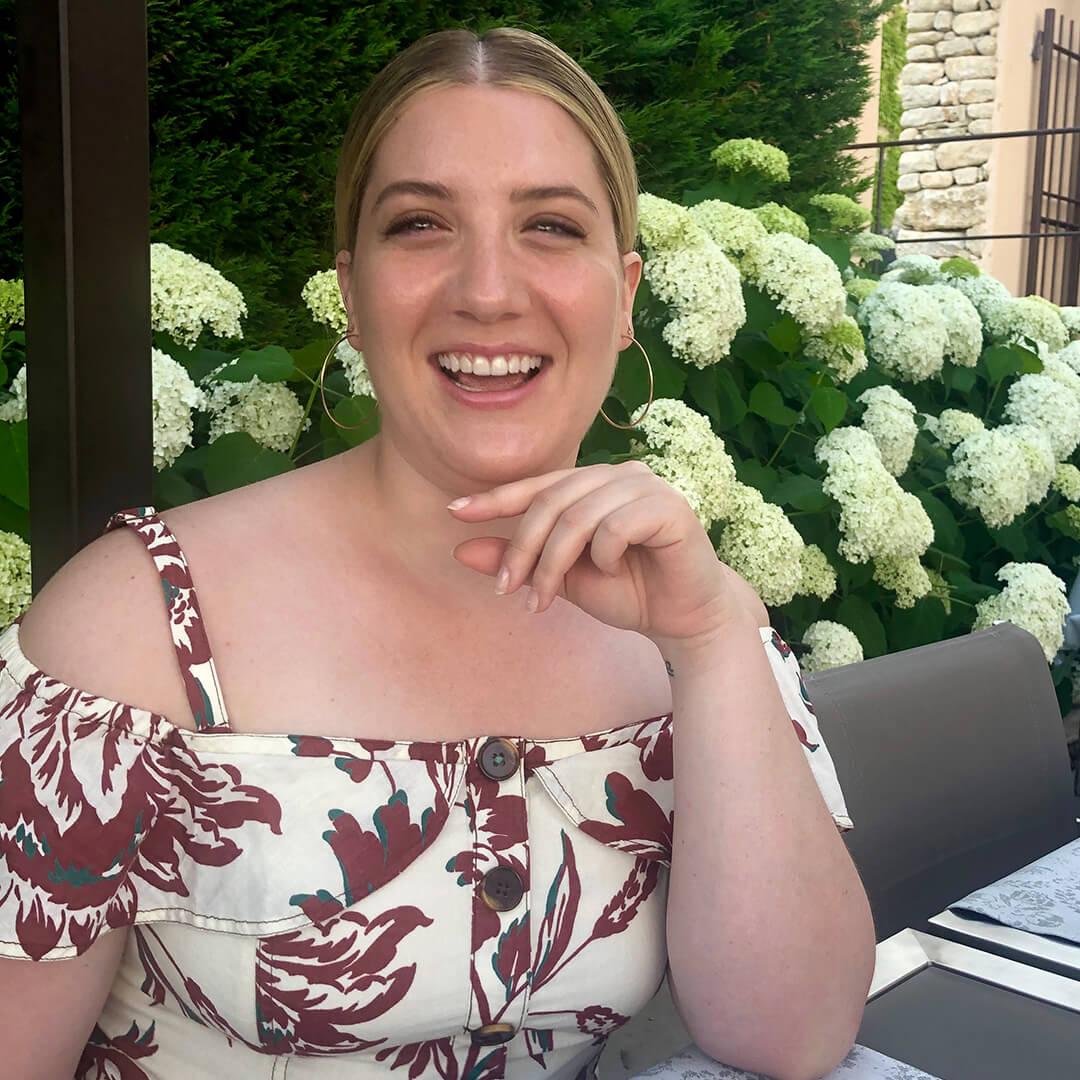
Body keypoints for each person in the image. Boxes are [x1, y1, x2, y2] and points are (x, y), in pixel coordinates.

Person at [0, 26, 874, 1080]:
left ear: (625, 294)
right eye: (420, 225)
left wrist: (714, 638)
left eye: (551, 226)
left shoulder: (690, 615)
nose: (488, 290)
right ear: (352, 292)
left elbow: (791, 1033)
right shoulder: (132, 630)